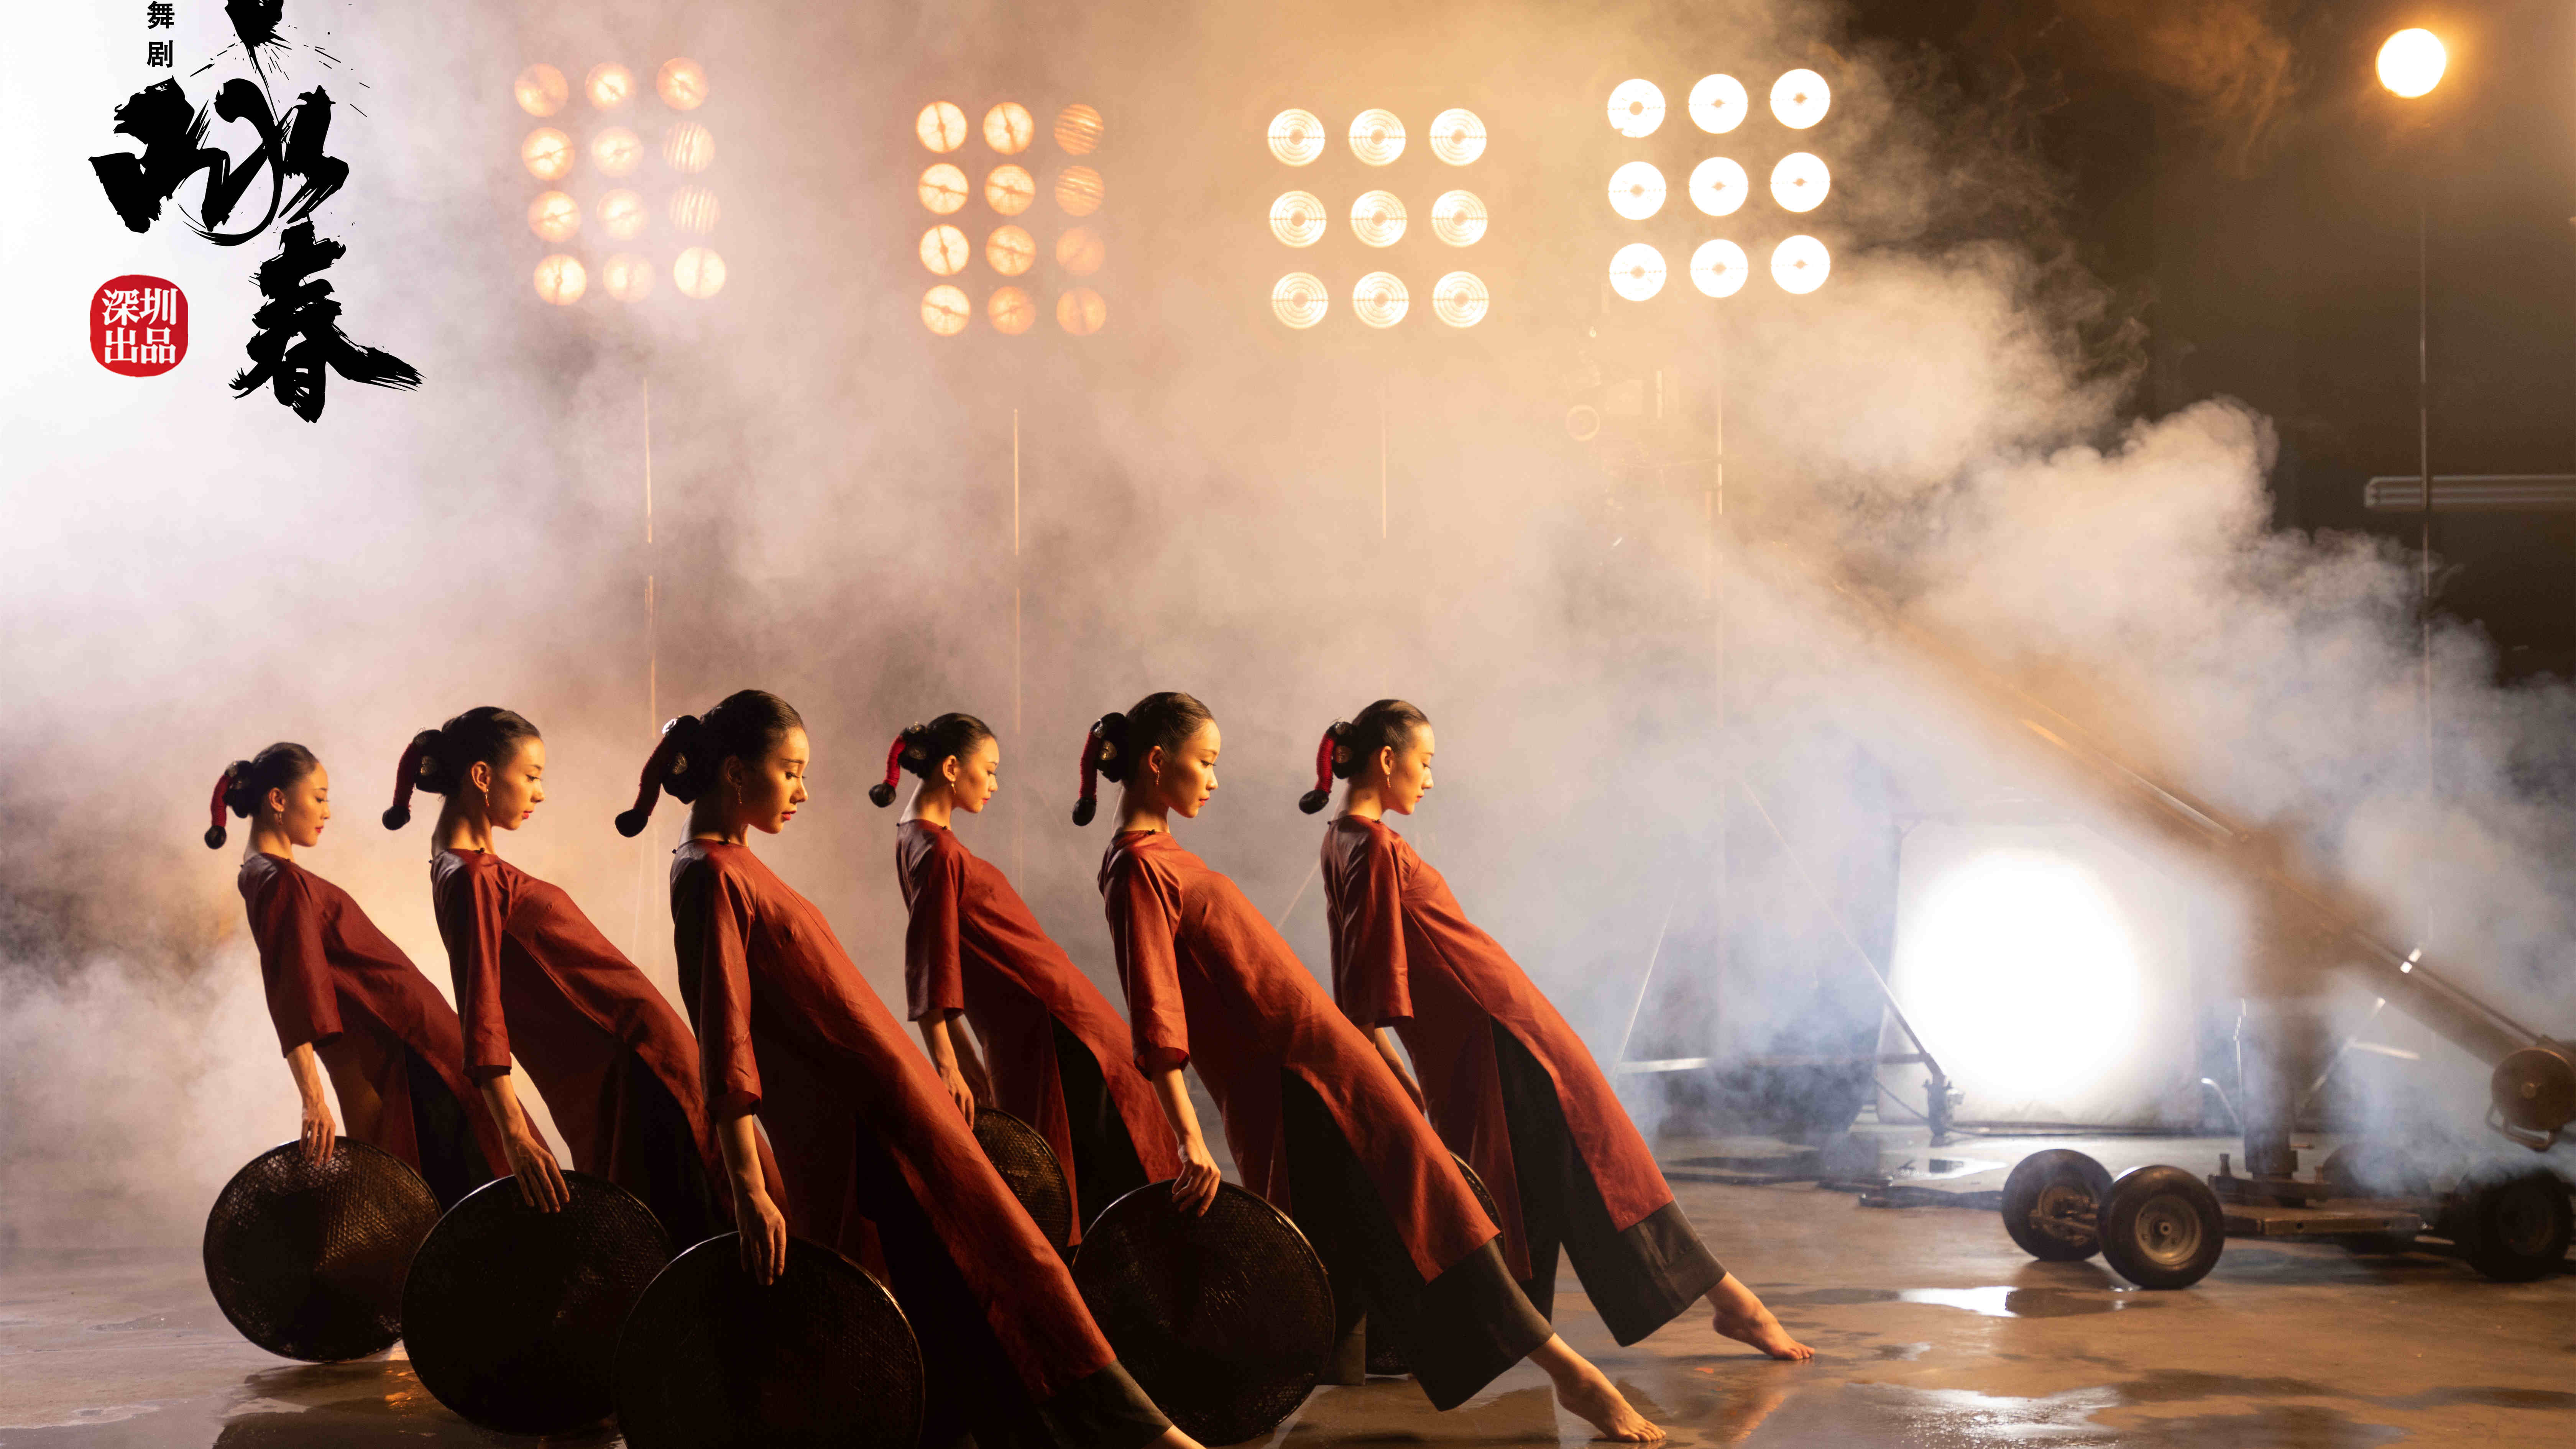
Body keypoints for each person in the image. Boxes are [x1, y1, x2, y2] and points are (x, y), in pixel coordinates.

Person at [616, 690, 1203, 1449]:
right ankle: (1146, 1438)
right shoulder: (710, 875)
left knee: (978, 1277)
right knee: (1001, 1262)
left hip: (893, 1109)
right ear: (734, 771)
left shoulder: (734, 865)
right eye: (791, 771)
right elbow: (724, 1037)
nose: (802, 791)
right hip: (870, 1125)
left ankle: (1126, 1433)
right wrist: (751, 1187)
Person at [1076, 692, 1662, 1442]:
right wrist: (1190, 1136)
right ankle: (1572, 1376)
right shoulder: (1137, 869)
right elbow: (1158, 1010)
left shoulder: (1161, 857)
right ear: (1158, 762)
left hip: (1321, 1064)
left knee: (1371, 1229)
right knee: (1427, 1205)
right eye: (1206, 762)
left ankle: (1239, 1400)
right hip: (1299, 1082)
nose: (1215, 780)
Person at [1303, 701, 1812, 1362]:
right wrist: (1391, 1069)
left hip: (1487, 1030)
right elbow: (1368, 981)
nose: (1430, 778)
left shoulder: (1342, 838)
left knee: (1560, 1176)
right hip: (1498, 1031)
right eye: (1424, 763)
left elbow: (1360, 977)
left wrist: (1392, 1058)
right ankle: (1731, 1304)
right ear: (1387, 759)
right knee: (1592, 1164)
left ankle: (1728, 1303)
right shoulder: (1372, 845)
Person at [386, 705, 764, 1244]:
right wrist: (514, 1133)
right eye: (531, 776)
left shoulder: (461, 867)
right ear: (482, 776)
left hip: (638, 1062)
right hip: (641, 1066)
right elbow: (481, 1011)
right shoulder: (471, 876)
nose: (539, 793)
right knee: (709, 1228)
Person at [870, 713, 1180, 1238]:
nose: (994, 783)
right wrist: (949, 1064)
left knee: (1082, 1182)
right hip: (1055, 1028)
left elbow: (939, 961)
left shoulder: (916, 839)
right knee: (1107, 1179)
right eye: (989, 770)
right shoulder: (938, 850)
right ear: (952, 767)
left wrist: (966, 1060)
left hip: (1042, 1026)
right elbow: (929, 960)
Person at [206, 742, 503, 1208]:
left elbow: (295, 984)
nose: (327, 811)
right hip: (415, 1045)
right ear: (278, 799)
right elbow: (294, 988)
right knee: (475, 1183)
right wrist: (312, 1097)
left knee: (449, 1188)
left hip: (415, 1040)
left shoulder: (261, 874)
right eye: (319, 797)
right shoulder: (281, 880)